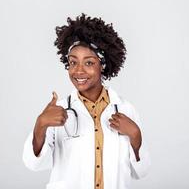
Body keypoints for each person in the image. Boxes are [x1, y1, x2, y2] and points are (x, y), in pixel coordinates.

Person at [23, 13, 150, 189]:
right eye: (73, 62)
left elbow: (140, 172)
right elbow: (33, 164)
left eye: (89, 63)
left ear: (102, 66)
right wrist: (40, 125)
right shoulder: (59, 110)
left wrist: (136, 136)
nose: (78, 71)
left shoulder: (125, 109)